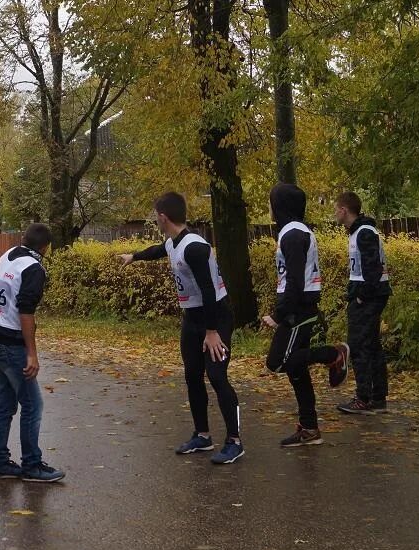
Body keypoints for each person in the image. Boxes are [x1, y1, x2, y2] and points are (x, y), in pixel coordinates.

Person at [117, 193, 243, 464]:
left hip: (215, 318)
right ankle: (202, 435)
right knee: (193, 375)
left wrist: (212, 332)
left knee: (217, 375)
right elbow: (158, 250)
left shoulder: (194, 247)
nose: (155, 220)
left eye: (155, 216)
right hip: (193, 318)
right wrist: (134, 256)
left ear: (163, 217)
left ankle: (234, 441)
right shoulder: (175, 243)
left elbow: (209, 291)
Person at [265, 183, 350, 447]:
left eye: (271, 202)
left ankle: (334, 354)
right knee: (297, 370)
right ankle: (310, 429)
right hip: (301, 306)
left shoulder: (292, 235)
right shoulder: (297, 232)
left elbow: (295, 281)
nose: (269, 207)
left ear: (280, 206)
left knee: (278, 362)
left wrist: (279, 315)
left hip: (297, 310)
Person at [0, 223, 64, 483]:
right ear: (45, 248)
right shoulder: (34, 269)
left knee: (5, 403)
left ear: (23, 240)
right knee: (32, 405)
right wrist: (32, 353)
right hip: (12, 345)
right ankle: (32, 465)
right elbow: (26, 311)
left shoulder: (8, 255)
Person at [333, 191, 392, 414]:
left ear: (344, 210)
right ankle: (377, 397)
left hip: (368, 298)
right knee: (372, 345)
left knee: (358, 346)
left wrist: (362, 295)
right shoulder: (360, 231)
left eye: (336, 209)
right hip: (370, 295)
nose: (334, 213)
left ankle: (364, 398)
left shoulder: (364, 233)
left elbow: (373, 269)